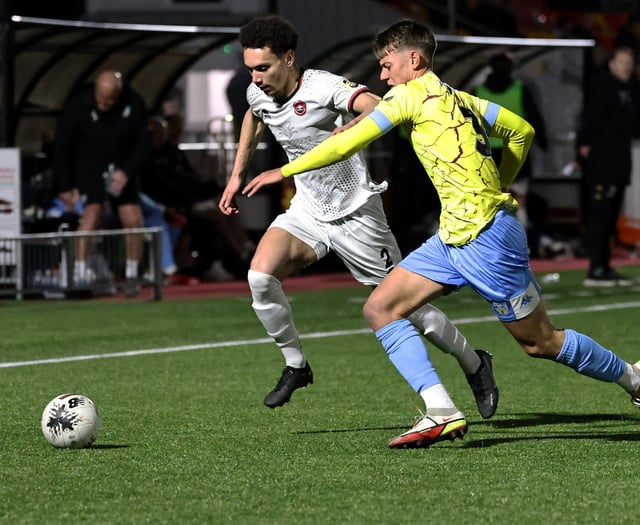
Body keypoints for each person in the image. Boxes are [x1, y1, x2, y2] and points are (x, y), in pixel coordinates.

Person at [243, 19, 640, 449]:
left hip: (488, 238)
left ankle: (633, 378)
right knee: (381, 307)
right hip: (454, 234)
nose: (382, 75)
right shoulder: (460, 97)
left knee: (540, 342)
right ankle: (441, 410)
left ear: (413, 60)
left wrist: (281, 171)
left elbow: (343, 146)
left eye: (386, 64)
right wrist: (498, 182)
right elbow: (521, 132)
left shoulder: (407, 95)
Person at [219, 15, 498, 420]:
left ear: (289, 59)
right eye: (251, 69)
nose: (256, 77)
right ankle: (296, 365)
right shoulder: (257, 92)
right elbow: (254, 114)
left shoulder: (324, 86)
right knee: (260, 277)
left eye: (263, 67)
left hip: (357, 214)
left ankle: (474, 362)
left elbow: (379, 107)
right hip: (308, 210)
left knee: (409, 309)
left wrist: (349, 127)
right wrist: (235, 176)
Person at [53, 70, 150, 297]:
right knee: (91, 213)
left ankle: (132, 275)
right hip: (89, 167)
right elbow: (62, 145)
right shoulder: (80, 103)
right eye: (101, 98)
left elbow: (143, 144)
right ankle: (79, 273)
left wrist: (126, 172)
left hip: (121, 169)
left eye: (109, 99)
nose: (104, 104)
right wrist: (65, 185)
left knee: (132, 217)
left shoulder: (135, 104)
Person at [141, 113, 255, 281]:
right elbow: (160, 189)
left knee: (226, 205)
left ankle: (245, 246)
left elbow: (190, 178)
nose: (163, 136)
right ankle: (240, 255)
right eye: (156, 133)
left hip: (188, 199)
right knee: (215, 214)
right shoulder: (147, 158)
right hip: (174, 205)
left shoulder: (172, 153)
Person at [474, 53, 549, 257]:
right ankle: (521, 246)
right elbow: (534, 118)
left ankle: (488, 248)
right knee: (519, 203)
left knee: (487, 202)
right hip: (515, 153)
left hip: (485, 155)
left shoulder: (478, 91)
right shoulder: (519, 90)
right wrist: (544, 144)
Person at [578, 46, 640, 286]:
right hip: (602, 160)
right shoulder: (602, 85)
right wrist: (584, 143)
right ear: (611, 63)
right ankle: (595, 268)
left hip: (620, 160)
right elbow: (590, 117)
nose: (625, 67)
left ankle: (605, 265)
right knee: (600, 214)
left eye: (629, 62)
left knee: (612, 214)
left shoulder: (631, 89)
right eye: (621, 62)